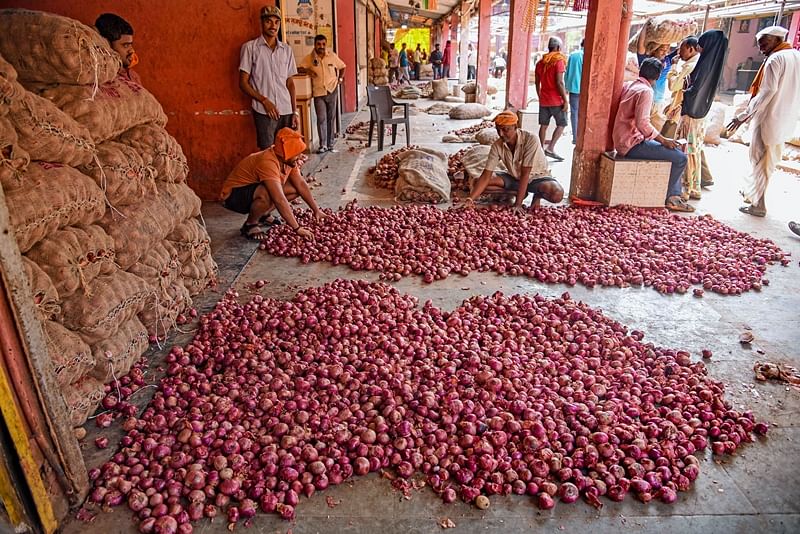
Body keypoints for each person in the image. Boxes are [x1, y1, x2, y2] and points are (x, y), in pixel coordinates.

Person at [728, 26, 800, 217]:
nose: (761, 49)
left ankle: (759, 204)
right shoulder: (796, 56)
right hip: (786, 119)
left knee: (760, 161)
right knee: (768, 162)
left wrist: (744, 115)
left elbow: (768, 91)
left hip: (768, 117)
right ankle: (753, 196)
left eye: (764, 44)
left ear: (776, 40)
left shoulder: (775, 59)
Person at [612, 58, 692, 212]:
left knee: (674, 152)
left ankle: (673, 196)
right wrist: (663, 140)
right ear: (658, 76)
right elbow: (642, 123)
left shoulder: (630, 85)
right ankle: (672, 197)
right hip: (632, 144)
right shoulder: (646, 91)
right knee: (681, 158)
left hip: (622, 140)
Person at [220, 128, 325, 241]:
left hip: (253, 191)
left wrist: (316, 210)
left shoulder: (288, 161)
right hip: (233, 196)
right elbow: (279, 199)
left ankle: (263, 215)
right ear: (285, 154)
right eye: (296, 154)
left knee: (295, 189)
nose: (300, 157)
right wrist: (297, 228)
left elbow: (301, 184)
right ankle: (250, 224)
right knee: (267, 193)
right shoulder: (268, 162)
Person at [464, 110, 564, 211]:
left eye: (505, 129)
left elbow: (525, 174)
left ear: (516, 127)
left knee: (557, 194)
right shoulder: (497, 145)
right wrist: (470, 199)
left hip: (537, 178)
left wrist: (518, 204)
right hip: (514, 177)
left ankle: (537, 195)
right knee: (478, 182)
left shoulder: (531, 139)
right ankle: (518, 192)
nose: (501, 134)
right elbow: (486, 174)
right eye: (498, 130)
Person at [674, 30, 727, 200]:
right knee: (694, 150)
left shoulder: (703, 66)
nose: (699, 49)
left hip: (692, 115)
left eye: (701, 46)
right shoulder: (712, 64)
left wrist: (685, 94)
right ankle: (694, 186)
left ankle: (686, 188)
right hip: (700, 115)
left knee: (687, 151)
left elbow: (693, 91)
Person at [239, 6, 299, 150]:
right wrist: (264, 101)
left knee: (287, 152)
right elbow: (243, 83)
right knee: (268, 153)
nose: (273, 26)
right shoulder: (250, 48)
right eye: (268, 21)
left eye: (276, 22)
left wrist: (294, 111)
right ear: (262, 23)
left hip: (286, 110)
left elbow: (290, 82)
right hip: (264, 112)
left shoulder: (286, 50)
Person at [298, 34, 346, 154]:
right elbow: (299, 68)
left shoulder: (332, 56)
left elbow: (343, 66)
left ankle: (330, 144)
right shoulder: (309, 58)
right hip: (318, 92)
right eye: (319, 44)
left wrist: (340, 79)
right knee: (321, 119)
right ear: (315, 45)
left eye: (323, 44)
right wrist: (308, 70)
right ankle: (322, 145)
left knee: (331, 118)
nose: (321, 46)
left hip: (332, 90)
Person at [534, 37, 569, 162]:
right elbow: (560, 82)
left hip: (544, 99)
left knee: (543, 125)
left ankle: (541, 150)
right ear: (558, 48)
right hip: (556, 100)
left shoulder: (540, 63)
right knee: (562, 124)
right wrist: (565, 100)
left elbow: (537, 83)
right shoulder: (558, 61)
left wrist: (539, 95)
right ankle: (551, 148)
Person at [95, 13, 140, 83]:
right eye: (125, 45)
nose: (132, 50)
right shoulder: (98, 75)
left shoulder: (133, 77)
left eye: (130, 45)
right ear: (108, 45)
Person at [636, 29, 672, 103]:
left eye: (667, 50)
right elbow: (640, 46)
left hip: (659, 101)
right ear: (654, 50)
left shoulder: (668, 60)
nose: (665, 53)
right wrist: (646, 25)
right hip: (646, 99)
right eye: (662, 50)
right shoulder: (647, 61)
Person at [565, 39, 584, 144]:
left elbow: (567, 72)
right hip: (585, 90)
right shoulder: (589, 55)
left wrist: (566, 87)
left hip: (573, 89)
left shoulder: (573, 55)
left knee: (574, 113)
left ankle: (575, 138)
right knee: (583, 113)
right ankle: (582, 136)